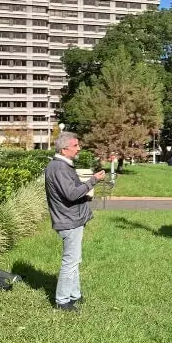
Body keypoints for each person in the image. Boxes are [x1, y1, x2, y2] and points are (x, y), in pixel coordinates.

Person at [44, 132, 105, 312]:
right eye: (75, 145)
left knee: (74, 260)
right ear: (64, 149)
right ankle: (62, 301)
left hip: (71, 219)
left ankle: (74, 295)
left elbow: (70, 191)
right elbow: (71, 194)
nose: (79, 148)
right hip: (69, 220)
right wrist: (93, 180)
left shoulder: (61, 166)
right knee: (70, 262)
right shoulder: (59, 167)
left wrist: (85, 194)